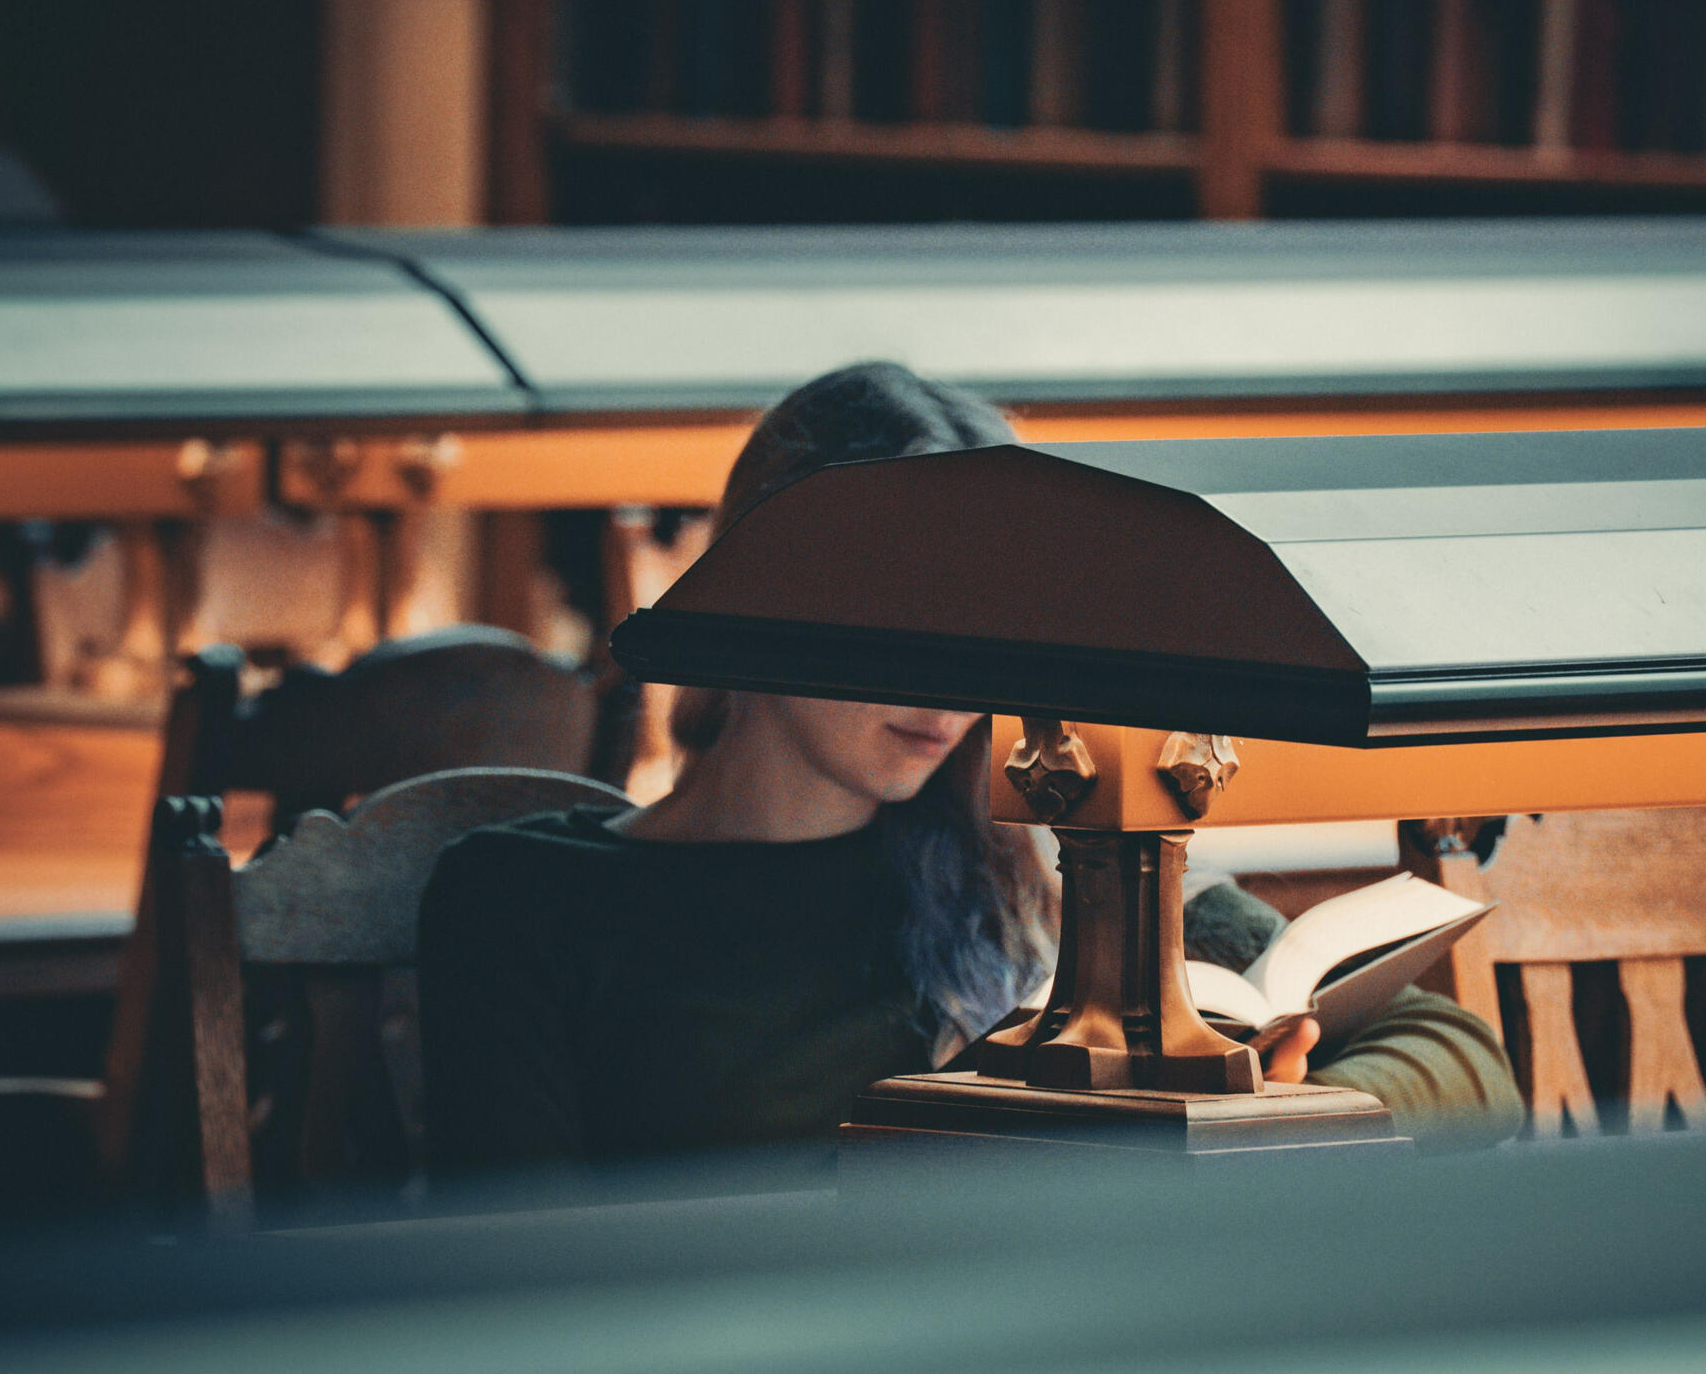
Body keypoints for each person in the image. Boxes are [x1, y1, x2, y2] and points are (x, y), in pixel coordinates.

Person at [418, 362, 1522, 1173]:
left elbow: (1469, 1061)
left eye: (986, 630)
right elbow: (516, 1269)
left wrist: (1290, 1109)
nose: (953, 687)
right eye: (910, 619)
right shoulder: (523, 895)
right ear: (767, 589)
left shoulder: (1035, 875)